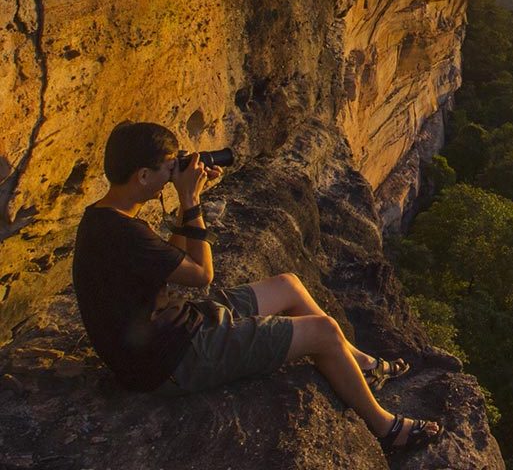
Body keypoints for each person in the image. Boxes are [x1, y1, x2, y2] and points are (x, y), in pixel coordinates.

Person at [71, 121, 439, 456]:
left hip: (168, 331)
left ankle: (360, 364)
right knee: (324, 332)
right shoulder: (126, 234)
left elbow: (171, 263)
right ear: (143, 175)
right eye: (169, 168)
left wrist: (187, 203)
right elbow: (201, 274)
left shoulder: (103, 218)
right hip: (171, 359)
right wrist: (191, 200)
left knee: (288, 285)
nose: (172, 175)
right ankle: (385, 428)